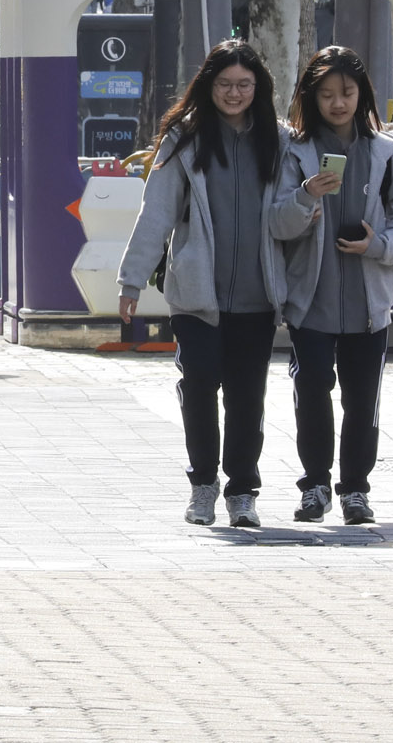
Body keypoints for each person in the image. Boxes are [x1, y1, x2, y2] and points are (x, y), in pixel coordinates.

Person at [115, 41, 289, 529]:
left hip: (257, 294)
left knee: (247, 395)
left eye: (244, 85)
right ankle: (203, 486)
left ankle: (242, 491)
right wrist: (131, 279)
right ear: (208, 86)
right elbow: (157, 213)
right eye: (225, 85)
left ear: (259, 88)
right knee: (198, 390)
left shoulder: (280, 140)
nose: (234, 94)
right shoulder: (182, 139)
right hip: (196, 293)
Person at [270, 46, 393, 526]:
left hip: (367, 303)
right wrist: (305, 198)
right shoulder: (293, 153)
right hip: (310, 301)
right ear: (310, 97)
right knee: (311, 390)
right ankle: (315, 484)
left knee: (362, 400)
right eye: (327, 94)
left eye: (348, 93)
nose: (338, 103)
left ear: (363, 95)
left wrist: (379, 246)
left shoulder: (384, 153)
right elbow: (275, 222)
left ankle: (355, 489)